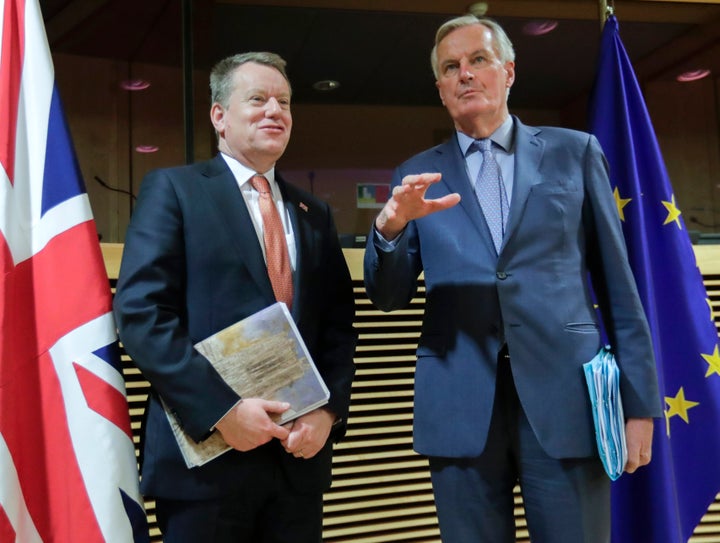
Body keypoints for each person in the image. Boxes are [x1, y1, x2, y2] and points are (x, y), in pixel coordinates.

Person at [363, 15, 662, 542]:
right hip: (460, 404)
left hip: (566, 399)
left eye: (478, 60)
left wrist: (639, 405)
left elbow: (620, 286)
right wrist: (389, 227)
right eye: (451, 68)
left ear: (508, 71)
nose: (465, 75)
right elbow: (388, 298)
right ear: (440, 89)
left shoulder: (575, 152)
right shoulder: (415, 176)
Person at [114, 51, 357, 543]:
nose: (275, 111)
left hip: (296, 460)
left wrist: (327, 412)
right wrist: (222, 411)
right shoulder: (175, 190)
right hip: (206, 459)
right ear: (219, 116)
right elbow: (142, 315)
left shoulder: (315, 213)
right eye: (258, 99)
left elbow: (338, 327)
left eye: (284, 102)